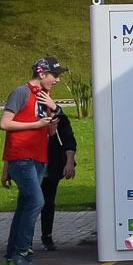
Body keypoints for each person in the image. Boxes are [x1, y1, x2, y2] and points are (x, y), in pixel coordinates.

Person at [0, 57, 64, 265]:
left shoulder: (44, 97)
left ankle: (11, 255)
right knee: (36, 201)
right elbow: (4, 123)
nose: (58, 79)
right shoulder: (21, 92)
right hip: (22, 157)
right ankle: (22, 251)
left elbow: (49, 132)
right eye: (55, 75)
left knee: (25, 206)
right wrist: (37, 124)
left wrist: (52, 120)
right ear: (42, 74)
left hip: (37, 157)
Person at [38, 88, 78, 252]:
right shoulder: (32, 119)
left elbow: (69, 141)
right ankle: (23, 241)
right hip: (34, 165)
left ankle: (47, 236)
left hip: (52, 166)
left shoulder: (60, 117)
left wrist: (69, 162)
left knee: (48, 202)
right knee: (32, 202)